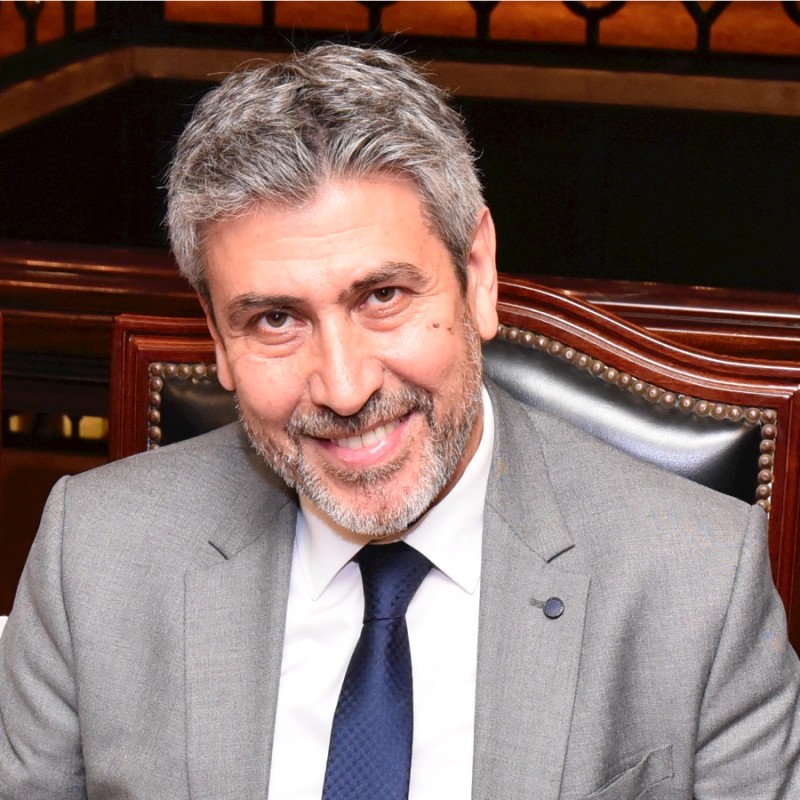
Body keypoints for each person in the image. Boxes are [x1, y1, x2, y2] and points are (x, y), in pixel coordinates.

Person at [0, 43, 798, 800]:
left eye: (382, 297)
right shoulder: (91, 558)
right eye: (276, 319)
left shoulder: (696, 587)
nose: (345, 390)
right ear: (217, 336)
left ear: (477, 276)